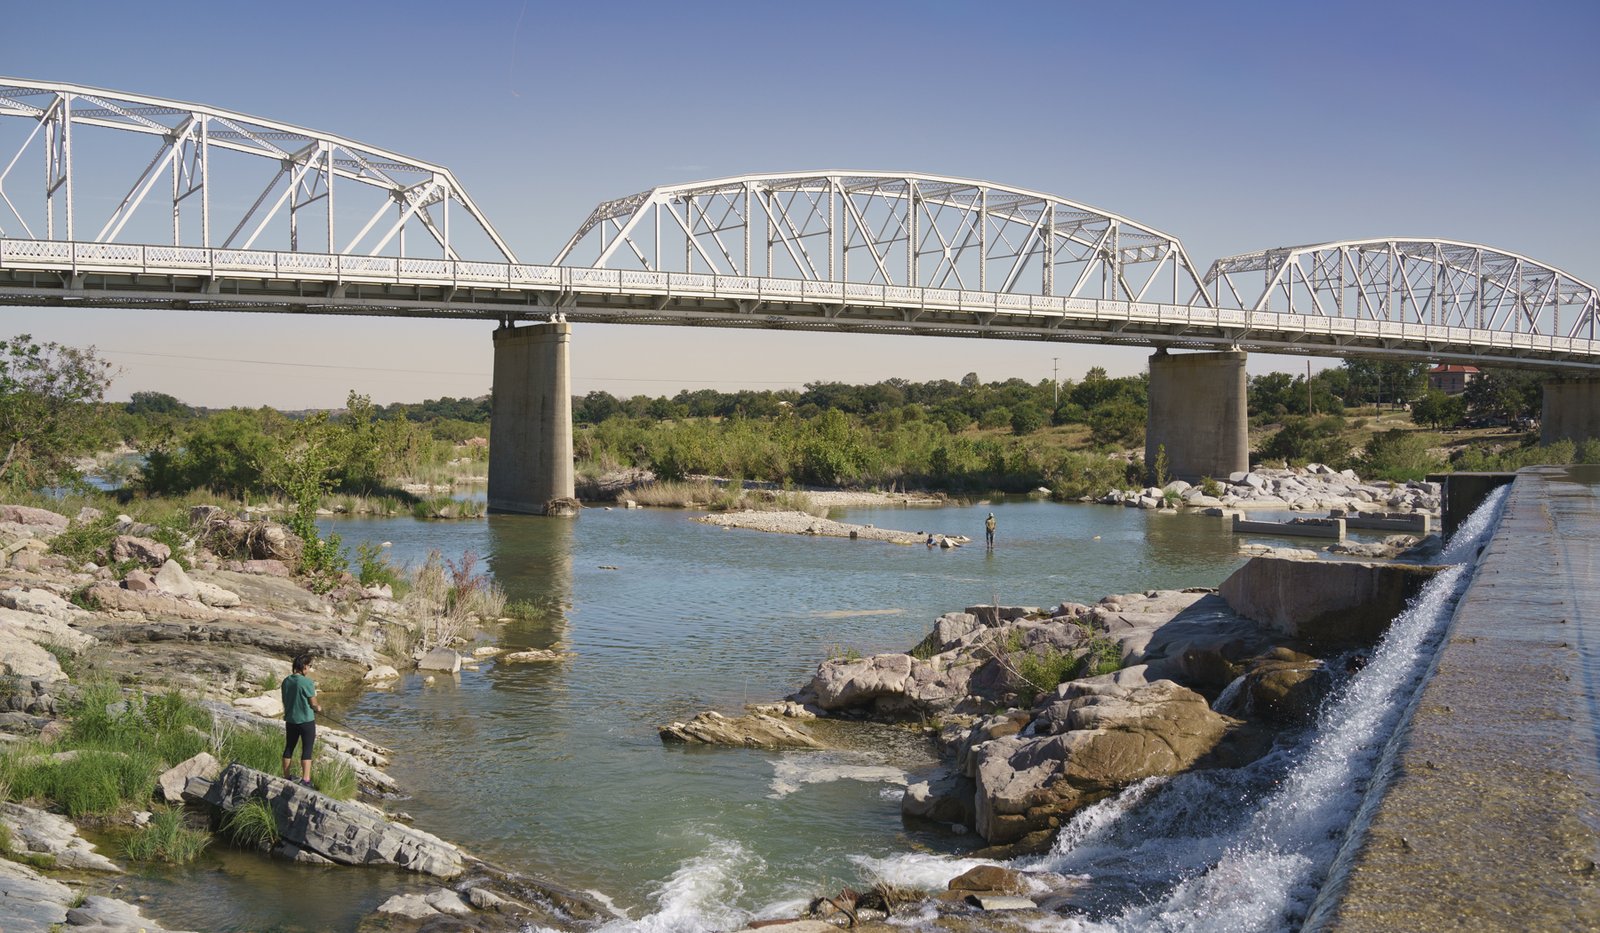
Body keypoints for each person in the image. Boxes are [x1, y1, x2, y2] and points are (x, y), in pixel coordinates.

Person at [281, 653, 322, 788]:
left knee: (289, 748)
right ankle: (306, 780)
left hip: (290, 720)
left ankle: (286, 776)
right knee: (307, 749)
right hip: (306, 721)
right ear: (304, 666)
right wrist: (318, 708)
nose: (309, 669)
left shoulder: (286, 681)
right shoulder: (307, 682)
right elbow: (313, 704)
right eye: (309, 666)